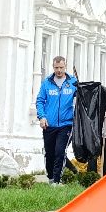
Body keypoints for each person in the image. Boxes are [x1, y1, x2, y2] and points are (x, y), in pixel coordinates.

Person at [35, 55, 78, 185]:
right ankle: (51, 177)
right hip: (49, 124)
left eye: (61, 67)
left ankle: (57, 180)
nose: (59, 70)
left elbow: (81, 101)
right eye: (56, 68)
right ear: (53, 67)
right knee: (50, 153)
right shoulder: (47, 83)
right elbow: (40, 101)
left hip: (66, 124)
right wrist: (42, 117)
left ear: (65, 66)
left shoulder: (73, 82)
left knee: (60, 151)